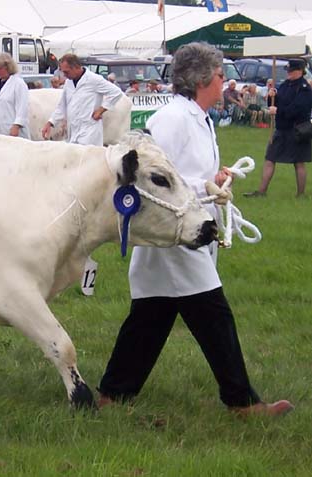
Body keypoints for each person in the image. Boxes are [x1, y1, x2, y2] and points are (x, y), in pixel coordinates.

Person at [97, 42, 293, 417]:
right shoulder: (174, 118)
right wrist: (203, 185)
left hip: (188, 230)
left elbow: (181, 173)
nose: (224, 82)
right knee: (213, 314)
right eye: (220, 75)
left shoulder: (196, 116)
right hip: (173, 233)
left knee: (151, 317)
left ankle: (113, 394)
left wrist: (212, 180)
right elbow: (150, 176)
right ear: (203, 78)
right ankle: (242, 401)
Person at [244, 58, 312, 198]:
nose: (288, 73)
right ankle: (261, 191)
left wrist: (278, 111)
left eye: (291, 71)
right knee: (270, 158)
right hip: (281, 129)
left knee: (299, 162)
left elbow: (298, 109)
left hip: (297, 130)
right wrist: (271, 97)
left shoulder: (305, 89)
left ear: (299, 71)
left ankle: (301, 194)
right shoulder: (286, 84)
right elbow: (276, 103)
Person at [42, 53, 124, 146]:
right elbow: (62, 106)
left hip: (89, 131)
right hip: (73, 131)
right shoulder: (68, 83)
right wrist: (50, 123)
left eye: (66, 72)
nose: (64, 75)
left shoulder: (94, 79)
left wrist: (101, 110)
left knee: (89, 158)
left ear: (76, 67)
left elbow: (116, 92)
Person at [0, 53, 30, 139]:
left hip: (12, 130)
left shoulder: (19, 83)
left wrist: (17, 125)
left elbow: (22, 107)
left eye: (0, 68)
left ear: (8, 67)